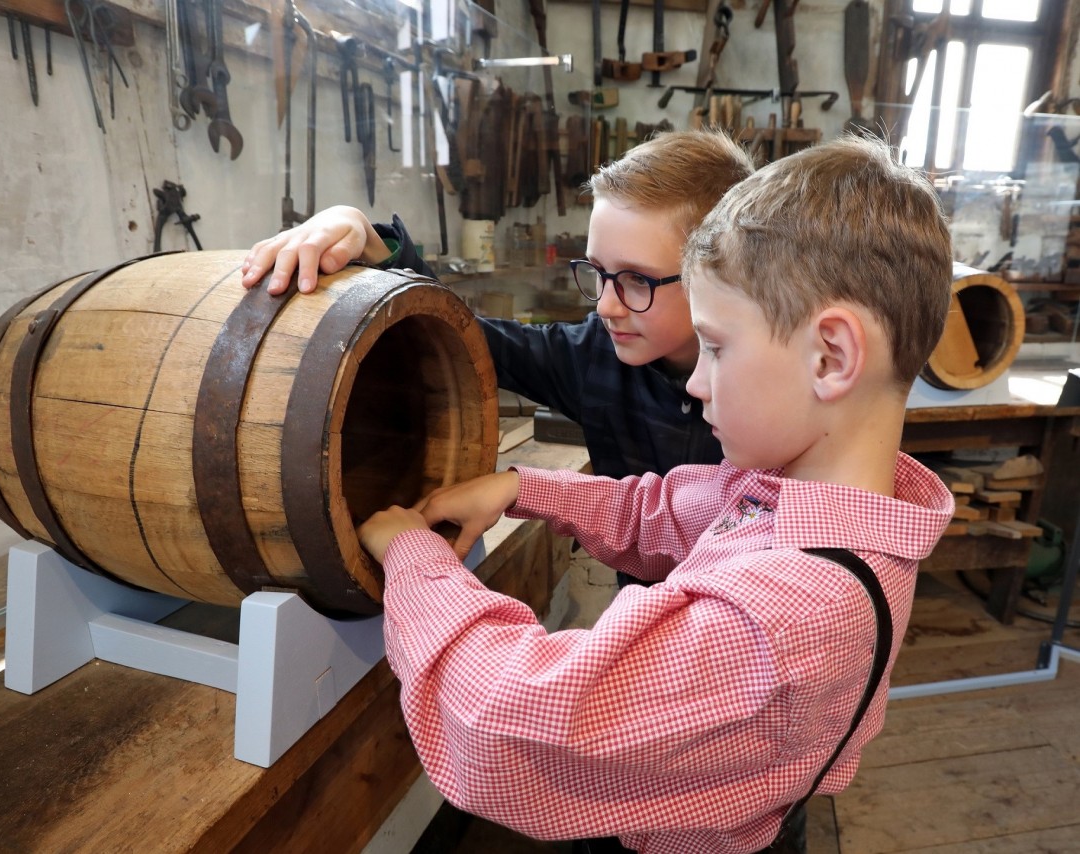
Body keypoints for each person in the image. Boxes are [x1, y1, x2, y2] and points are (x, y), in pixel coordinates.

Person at [354, 135, 956, 854]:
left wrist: (414, 560)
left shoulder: (781, 618)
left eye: (718, 348)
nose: (697, 381)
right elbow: (659, 512)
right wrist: (523, 489)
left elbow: (504, 713)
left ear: (831, 356)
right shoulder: (801, 501)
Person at [241, 130, 755, 536]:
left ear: (719, 274)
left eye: (637, 280)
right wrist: (374, 245)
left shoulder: (773, 403)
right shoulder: (597, 358)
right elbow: (464, 342)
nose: (604, 305)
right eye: (597, 272)